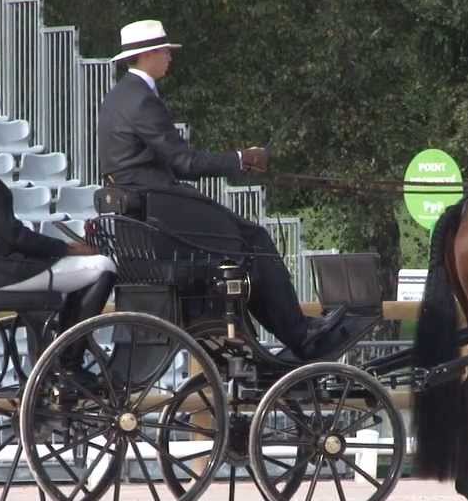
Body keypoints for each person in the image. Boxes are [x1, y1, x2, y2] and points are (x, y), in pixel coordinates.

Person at [96, 19, 349, 360]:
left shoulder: (119, 97)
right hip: (156, 207)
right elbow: (184, 162)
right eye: (166, 51)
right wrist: (241, 158)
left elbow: (168, 160)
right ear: (149, 54)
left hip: (144, 208)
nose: (170, 56)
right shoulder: (142, 101)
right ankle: (299, 334)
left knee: (245, 239)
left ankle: (285, 330)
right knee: (254, 239)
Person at [0, 89, 116, 330]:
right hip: (1, 271)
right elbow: (13, 235)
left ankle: (51, 344)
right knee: (104, 266)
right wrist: (66, 249)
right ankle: (68, 353)